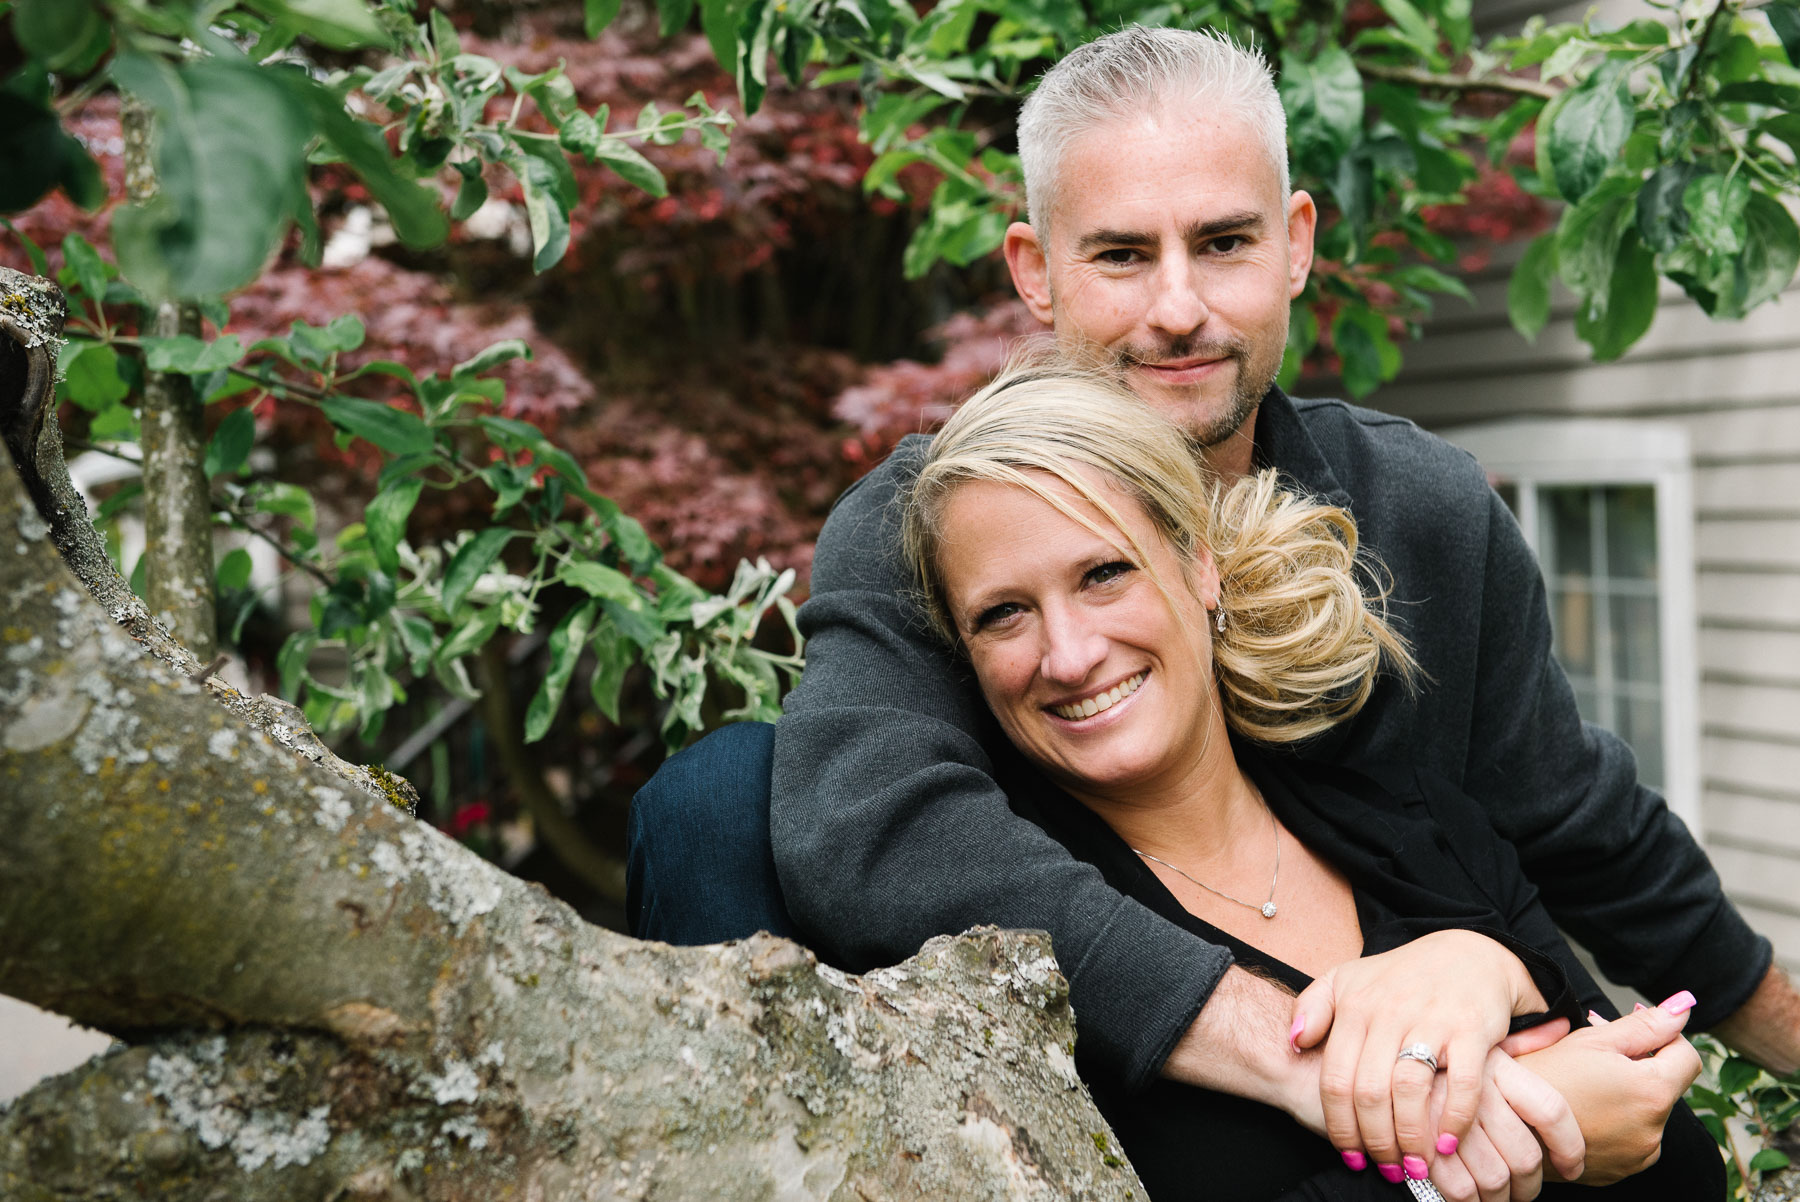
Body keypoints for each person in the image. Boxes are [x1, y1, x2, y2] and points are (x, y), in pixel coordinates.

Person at [628, 20, 1798, 1186]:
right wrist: (1308, 1058)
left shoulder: (1418, 515)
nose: (1178, 308)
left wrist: (1483, 969)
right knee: (719, 790)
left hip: (1514, 1071)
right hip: (1180, 1115)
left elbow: (1579, 825)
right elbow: (871, 828)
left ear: (1294, 246)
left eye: (1224, 241)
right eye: (1123, 255)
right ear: (1036, 272)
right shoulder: (928, 529)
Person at [891, 361, 1722, 1199]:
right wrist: (1509, 1140)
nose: (1068, 655)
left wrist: (1486, 965)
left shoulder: (1412, 824)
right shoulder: (1019, 958)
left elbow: (1678, 1158)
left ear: (1200, 567)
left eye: (1105, 573)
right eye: (1003, 614)